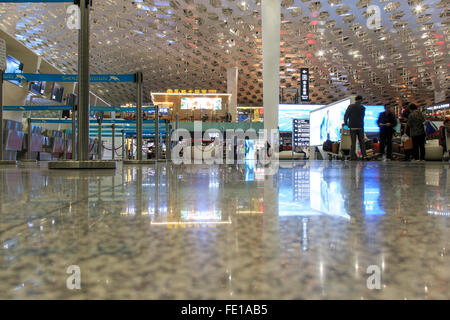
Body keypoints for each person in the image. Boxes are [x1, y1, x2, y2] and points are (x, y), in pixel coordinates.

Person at [344, 95, 367, 160]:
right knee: (362, 142)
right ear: (360, 100)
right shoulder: (363, 108)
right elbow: (363, 116)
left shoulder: (350, 107)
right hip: (360, 127)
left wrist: (346, 123)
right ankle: (364, 156)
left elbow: (346, 115)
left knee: (353, 142)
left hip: (352, 127)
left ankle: (352, 157)